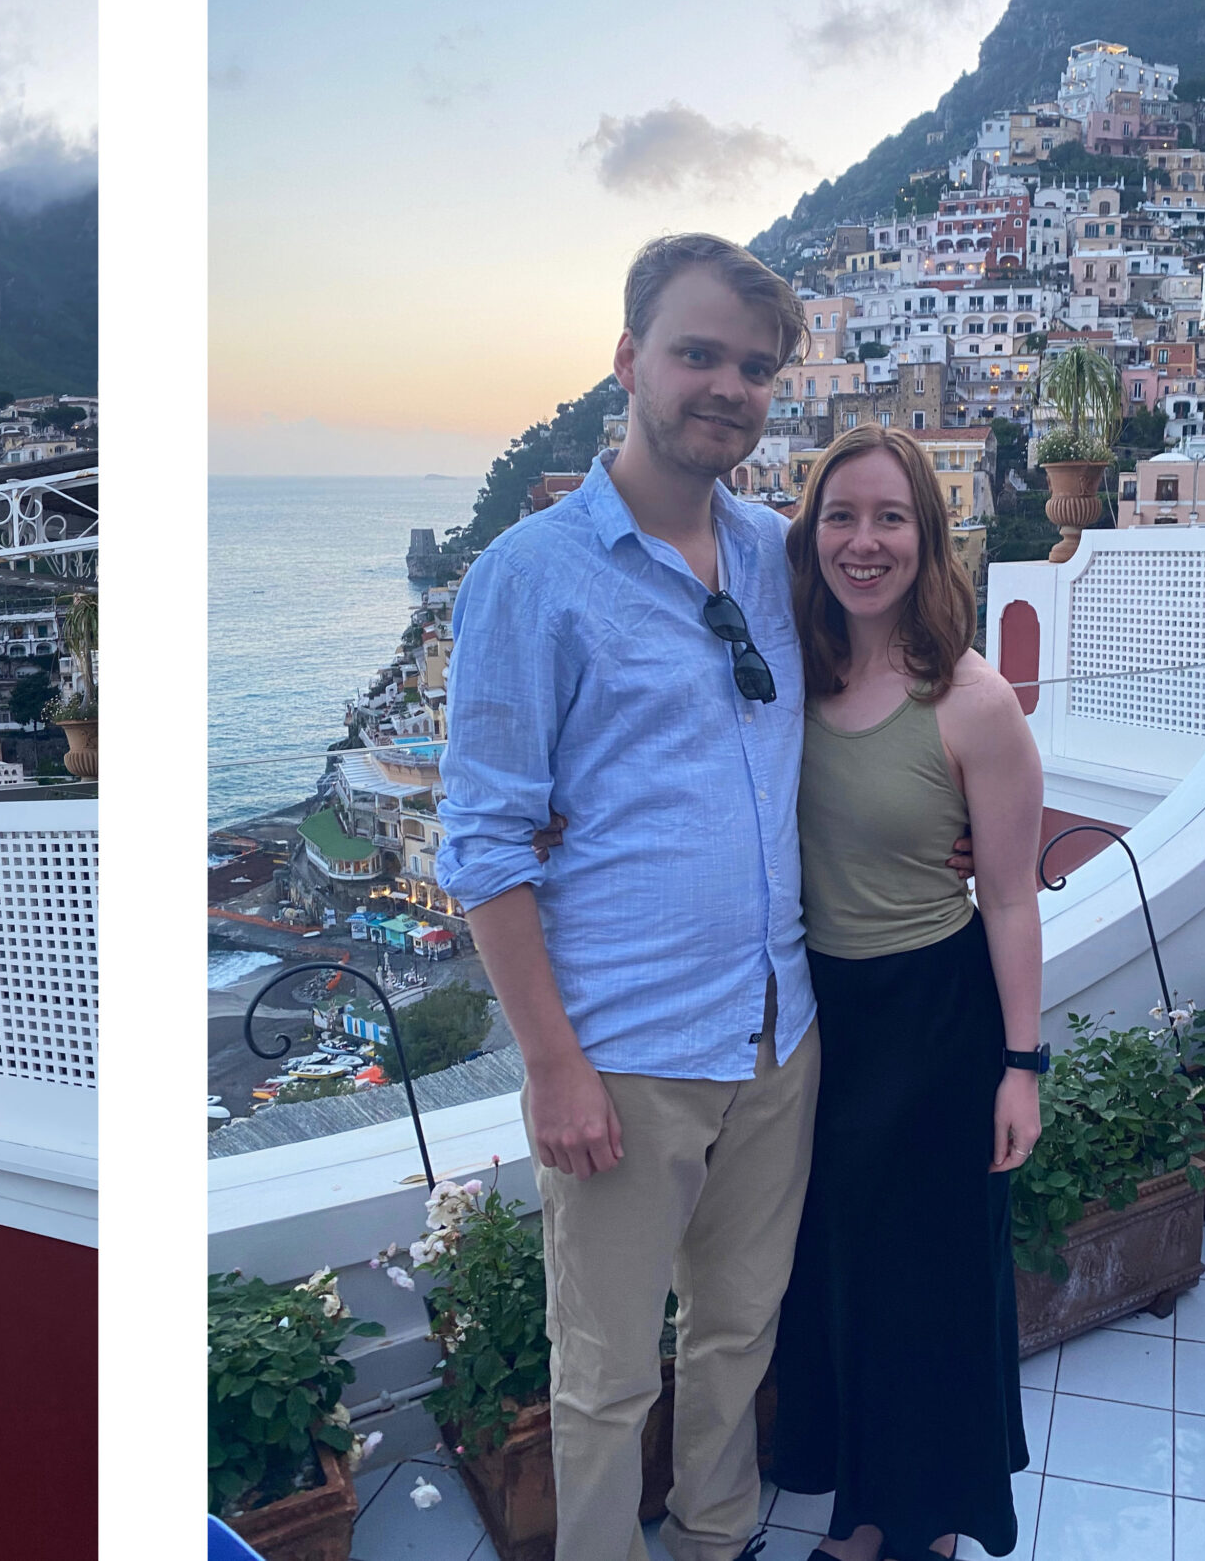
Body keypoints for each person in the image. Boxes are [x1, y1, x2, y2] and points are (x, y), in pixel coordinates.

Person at [437, 232, 819, 1561]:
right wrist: (553, 1067)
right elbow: (483, 841)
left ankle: (719, 1538)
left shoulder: (781, 555)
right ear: (629, 360)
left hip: (780, 1024)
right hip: (627, 1047)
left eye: (754, 368)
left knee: (738, 1328)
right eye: (699, 352)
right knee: (603, 1372)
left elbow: (879, 701)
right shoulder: (531, 576)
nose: (728, 385)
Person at [766, 428, 1044, 1561]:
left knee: (925, 1285)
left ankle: (920, 1522)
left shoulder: (971, 699)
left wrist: (1021, 1066)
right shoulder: (781, 669)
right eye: (841, 516)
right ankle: (860, 1509)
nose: (863, 540)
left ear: (927, 536)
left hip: (934, 1024)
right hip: (812, 1017)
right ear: (811, 531)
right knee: (832, 1274)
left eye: (890, 517)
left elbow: (1013, 900)